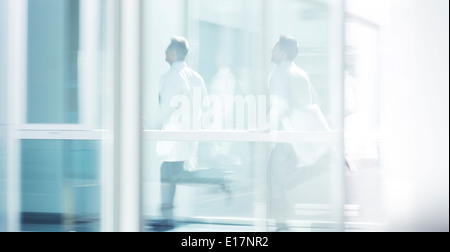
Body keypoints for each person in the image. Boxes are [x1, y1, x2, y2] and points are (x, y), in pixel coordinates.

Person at [267, 35, 331, 231]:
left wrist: (268, 127)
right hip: (302, 133)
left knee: (275, 177)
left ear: (283, 52)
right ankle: (284, 219)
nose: (272, 51)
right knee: (285, 175)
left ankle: (281, 224)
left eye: (275, 48)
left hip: (288, 133)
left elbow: (281, 106)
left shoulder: (278, 74)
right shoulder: (301, 73)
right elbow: (314, 102)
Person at [153, 37, 208, 231]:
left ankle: (166, 217)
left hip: (174, 134)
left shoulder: (171, 76)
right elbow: (204, 105)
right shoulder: (196, 77)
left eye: (167, 50)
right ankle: (167, 216)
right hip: (190, 134)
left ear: (174, 53)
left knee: (172, 174)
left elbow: (167, 107)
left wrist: (151, 123)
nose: (164, 53)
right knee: (173, 173)